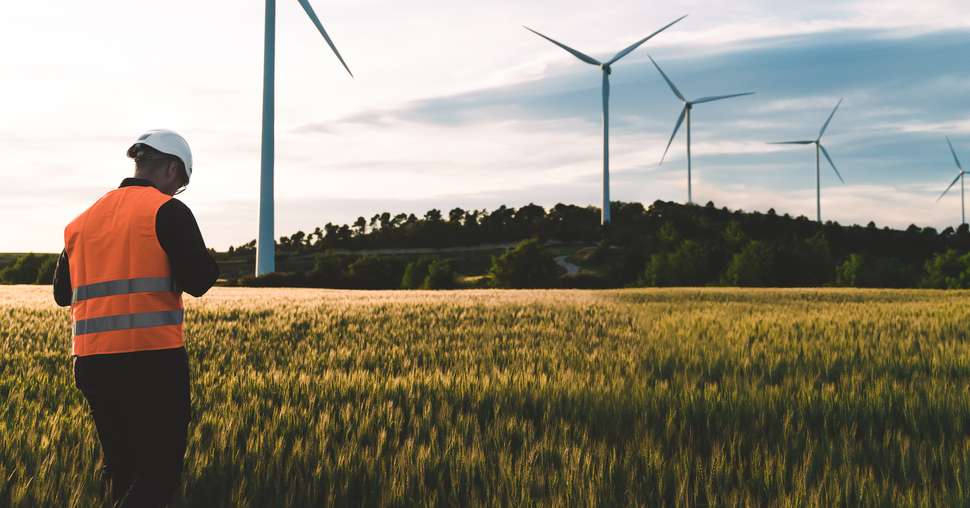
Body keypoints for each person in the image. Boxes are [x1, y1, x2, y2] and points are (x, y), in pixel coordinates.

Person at [53, 129, 219, 507]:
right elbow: (199, 281)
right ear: (172, 169)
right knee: (158, 475)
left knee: (121, 468)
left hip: (92, 363)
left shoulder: (81, 222)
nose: (177, 192)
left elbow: (62, 294)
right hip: (152, 362)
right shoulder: (167, 210)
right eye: (181, 184)